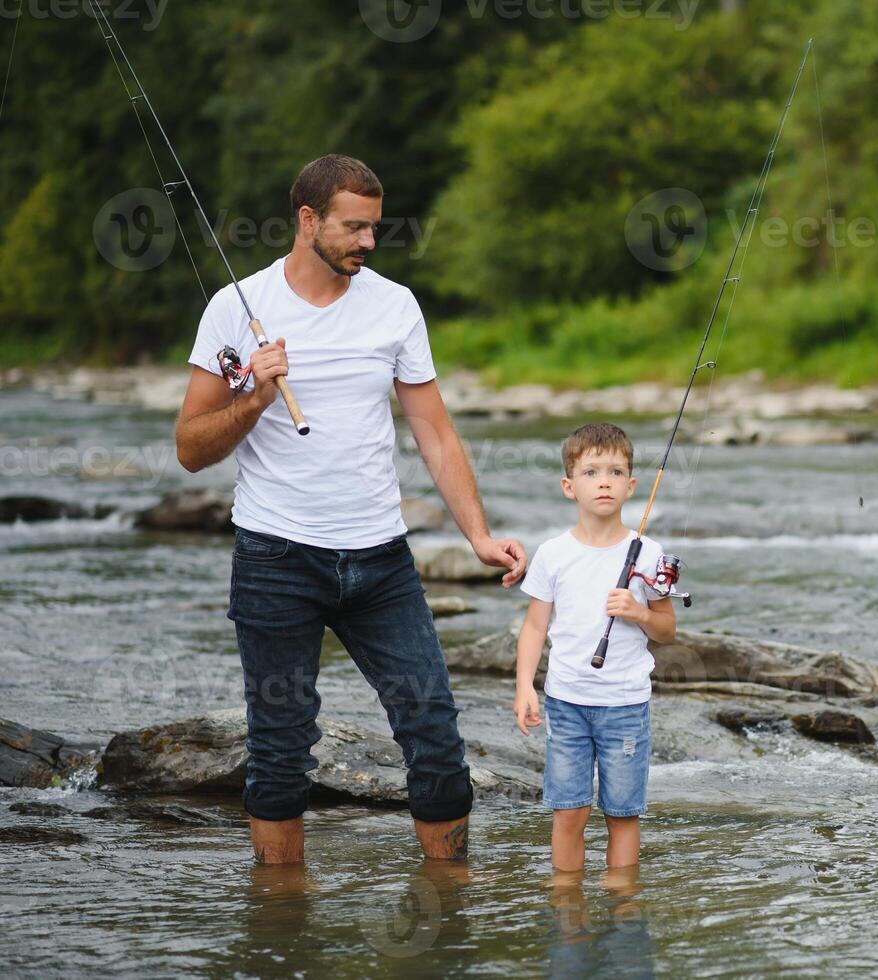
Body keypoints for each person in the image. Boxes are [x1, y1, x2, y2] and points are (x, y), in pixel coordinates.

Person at [174, 154, 526, 866]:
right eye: (354, 227)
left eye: (374, 227)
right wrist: (258, 396)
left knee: (432, 726)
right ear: (308, 221)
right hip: (275, 559)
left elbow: (434, 429)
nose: (368, 241)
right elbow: (189, 447)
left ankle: (450, 898)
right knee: (279, 743)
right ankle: (280, 915)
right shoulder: (234, 308)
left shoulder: (394, 305)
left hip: (381, 561)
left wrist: (478, 535)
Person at [513, 423, 676, 871]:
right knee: (569, 813)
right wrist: (526, 685)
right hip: (566, 702)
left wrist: (640, 613)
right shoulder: (552, 553)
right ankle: (567, 908)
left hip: (625, 704)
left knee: (623, 815)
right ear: (569, 486)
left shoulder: (649, 553)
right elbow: (533, 627)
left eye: (615, 471)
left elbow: (667, 630)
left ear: (631, 485)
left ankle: (623, 905)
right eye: (590, 472)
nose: (603, 481)